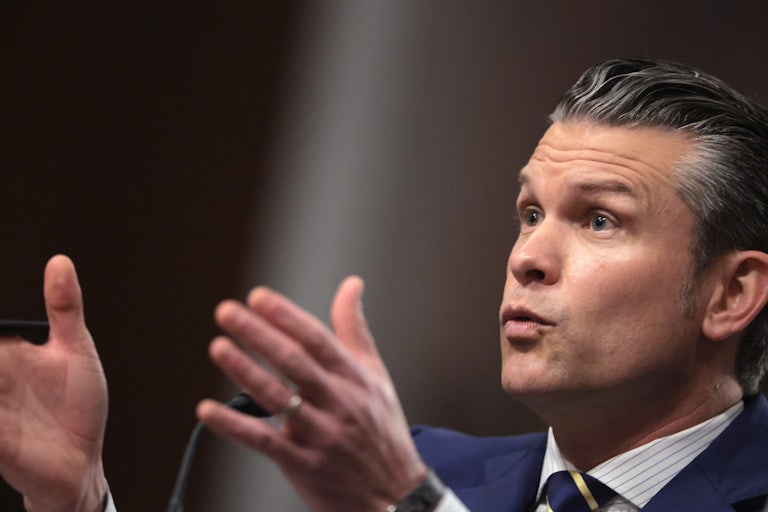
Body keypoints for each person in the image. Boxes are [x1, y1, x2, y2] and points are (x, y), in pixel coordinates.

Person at [2, 57, 768, 511]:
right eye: (530, 213)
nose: (529, 256)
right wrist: (75, 500)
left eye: (600, 220)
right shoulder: (431, 467)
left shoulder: (401, 482)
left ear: (731, 295)